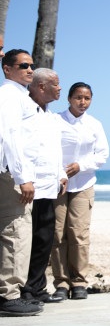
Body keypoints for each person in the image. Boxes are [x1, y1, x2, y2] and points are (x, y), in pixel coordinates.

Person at [50, 82, 109, 301]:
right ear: (69, 98)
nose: (82, 102)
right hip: (57, 184)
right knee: (57, 234)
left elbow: (102, 155)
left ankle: (79, 282)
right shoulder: (55, 120)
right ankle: (61, 283)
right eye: (78, 97)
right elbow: (48, 150)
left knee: (79, 233)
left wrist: (80, 166)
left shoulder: (95, 124)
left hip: (83, 184)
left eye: (87, 98)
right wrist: (60, 173)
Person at [19, 69, 68, 305]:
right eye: (55, 84)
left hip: (49, 187)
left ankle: (37, 288)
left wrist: (61, 175)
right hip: (29, 187)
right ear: (41, 87)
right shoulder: (25, 111)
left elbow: (54, 150)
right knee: (24, 241)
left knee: (44, 239)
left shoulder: (51, 117)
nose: (59, 88)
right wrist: (24, 179)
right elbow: (20, 149)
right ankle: (22, 290)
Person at [0, 48, 42, 316]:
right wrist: (22, 177)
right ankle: (9, 296)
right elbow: (10, 137)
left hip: (14, 173)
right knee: (16, 231)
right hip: (12, 175)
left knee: (14, 231)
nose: (30, 70)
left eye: (31, 66)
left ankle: (9, 293)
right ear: (7, 69)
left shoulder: (19, 95)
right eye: (23, 65)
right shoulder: (9, 95)